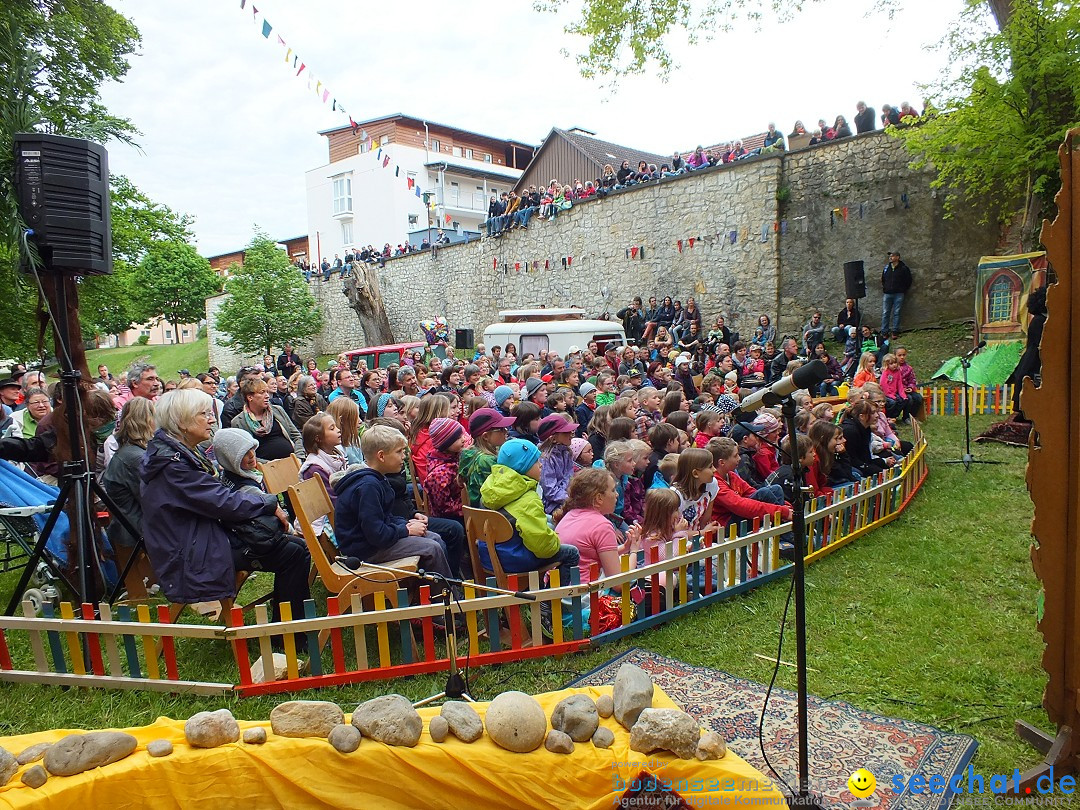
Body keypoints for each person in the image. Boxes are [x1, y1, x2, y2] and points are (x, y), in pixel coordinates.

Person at [140, 389, 290, 608]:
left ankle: (288, 625)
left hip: (199, 537)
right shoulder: (173, 465)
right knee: (291, 552)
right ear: (182, 422)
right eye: (204, 414)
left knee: (291, 547)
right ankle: (289, 631)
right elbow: (222, 502)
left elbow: (216, 498)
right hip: (191, 552)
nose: (212, 419)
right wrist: (268, 502)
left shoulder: (177, 453)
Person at [211, 428, 312, 626]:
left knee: (299, 549)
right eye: (243, 454)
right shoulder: (244, 486)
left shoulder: (237, 477)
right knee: (295, 553)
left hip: (253, 537)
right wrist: (293, 531)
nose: (251, 457)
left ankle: (292, 612)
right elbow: (270, 518)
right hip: (244, 544)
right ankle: (288, 625)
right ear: (230, 458)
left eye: (252, 450)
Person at [334, 425, 457, 579]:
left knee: (435, 538)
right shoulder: (368, 487)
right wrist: (406, 531)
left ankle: (434, 590)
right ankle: (444, 596)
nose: (404, 456)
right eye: (399, 451)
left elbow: (386, 518)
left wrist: (407, 523)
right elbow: (376, 534)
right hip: (365, 551)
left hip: (374, 543)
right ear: (381, 456)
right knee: (432, 548)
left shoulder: (377, 478)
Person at [479, 439, 580, 587]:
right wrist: (556, 539)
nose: (541, 464)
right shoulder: (527, 500)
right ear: (521, 466)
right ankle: (551, 602)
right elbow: (543, 548)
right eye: (535, 461)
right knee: (571, 552)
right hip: (514, 560)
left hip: (489, 555)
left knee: (549, 523)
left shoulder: (489, 488)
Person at [101, 397, 157, 601]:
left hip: (128, 523)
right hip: (132, 528)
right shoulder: (135, 457)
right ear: (146, 420)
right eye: (154, 416)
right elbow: (152, 499)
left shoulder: (131, 452)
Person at [554, 468, 636, 588]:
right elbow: (617, 584)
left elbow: (590, 555)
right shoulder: (602, 525)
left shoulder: (569, 515)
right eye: (613, 490)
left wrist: (624, 547)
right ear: (599, 498)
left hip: (562, 594)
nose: (617, 494)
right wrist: (634, 550)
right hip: (587, 596)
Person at [708, 437, 791, 530]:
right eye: (735, 456)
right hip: (726, 525)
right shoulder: (715, 483)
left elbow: (751, 492)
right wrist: (783, 511)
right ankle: (785, 532)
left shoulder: (731, 475)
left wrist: (783, 506)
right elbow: (739, 505)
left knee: (776, 489)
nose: (739, 458)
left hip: (737, 517)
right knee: (764, 493)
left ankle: (783, 526)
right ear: (722, 462)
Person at [230, 377, 304, 462]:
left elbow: (296, 436)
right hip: (265, 468)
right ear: (250, 397)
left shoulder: (277, 410)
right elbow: (243, 454)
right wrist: (270, 465)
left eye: (267, 392)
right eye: (262, 393)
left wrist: (299, 456)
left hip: (293, 460)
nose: (267, 396)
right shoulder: (239, 422)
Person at [459, 408, 515, 507]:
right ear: (485, 436)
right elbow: (504, 492)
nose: (506, 432)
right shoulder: (487, 460)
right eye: (501, 429)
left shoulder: (469, 452)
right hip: (488, 514)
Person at [298, 412, 347, 504]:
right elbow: (331, 501)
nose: (338, 430)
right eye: (332, 428)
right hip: (325, 516)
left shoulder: (337, 454)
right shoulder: (314, 469)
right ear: (318, 438)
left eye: (336, 426)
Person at [425, 417, 466, 524]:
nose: (463, 439)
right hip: (450, 519)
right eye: (457, 438)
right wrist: (466, 507)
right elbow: (443, 508)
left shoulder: (455, 457)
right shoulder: (439, 474)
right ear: (446, 443)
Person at [669, 447, 716, 534]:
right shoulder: (676, 495)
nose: (714, 470)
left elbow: (705, 520)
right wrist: (703, 532)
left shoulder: (711, 484)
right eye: (710, 466)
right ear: (695, 473)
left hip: (699, 541)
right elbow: (674, 532)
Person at [538, 413, 576, 515]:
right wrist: (572, 500)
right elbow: (550, 491)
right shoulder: (545, 458)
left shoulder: (566, 452)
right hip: (551, 507)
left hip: (567, 499)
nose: (571, 434)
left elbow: (569, 477)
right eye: (566, 432)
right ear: (553, 437)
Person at [881, 251, 913, 338]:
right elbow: (883, 279)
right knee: (885, 312)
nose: (890, 258)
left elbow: (908, 280)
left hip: (899, 293)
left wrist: (903, 289)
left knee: (897, 312)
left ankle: (895, 331)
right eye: (890, 256)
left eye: (892, 256)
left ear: (898, 257)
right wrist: (885, 288)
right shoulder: (887, 268)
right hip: (887, 293)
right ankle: (884, 331)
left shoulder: (903, 268)